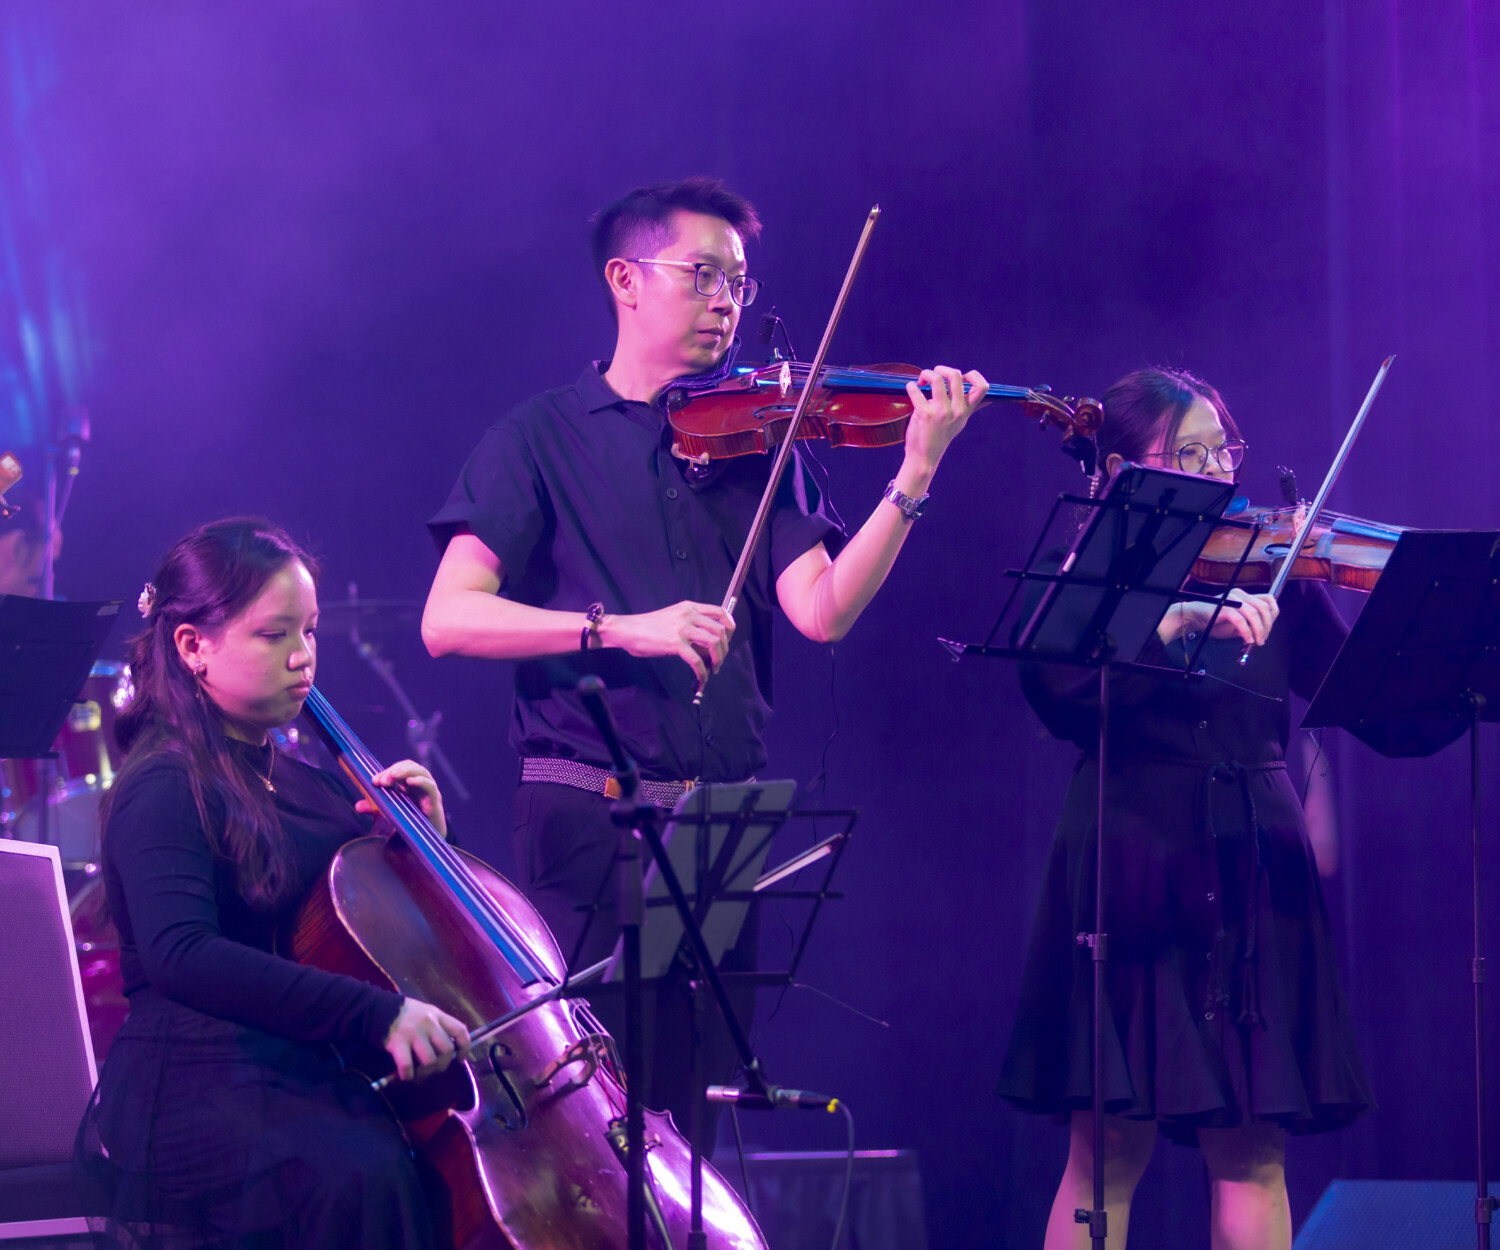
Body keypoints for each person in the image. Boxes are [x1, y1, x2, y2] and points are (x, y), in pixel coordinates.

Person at [422, 176, 988, 1128]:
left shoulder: (755, 439)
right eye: (703, 274)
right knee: (593, 1113)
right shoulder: (537, 439)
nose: (727, 299)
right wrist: (620, 627)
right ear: (625, 280)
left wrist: (915, 473)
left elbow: (822, 612)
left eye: (739, 281)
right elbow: (449, 618)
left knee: (691, 1114)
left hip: (720, 823)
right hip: (589, 812)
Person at [996, 368, 1373, 1250]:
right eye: (1190, 453)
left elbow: (1352, 693)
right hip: (1133, 848)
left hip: (1254, 850)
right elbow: (1051, 685)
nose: (1217, 471)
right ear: (1124, 472)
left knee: (1253, 1146)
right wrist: (1161, 626)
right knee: (1107, 1146)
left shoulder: (1267, 554)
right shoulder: (1094, 570)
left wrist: (1367, 593)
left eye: (1223, 450)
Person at [75, 518, 471, 1250]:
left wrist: (425, 853)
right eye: (273, 635)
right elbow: (183, 954)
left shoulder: (311, 784)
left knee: (419, 1157)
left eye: (311, 632)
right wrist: (376, 1014)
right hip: (198, 1076)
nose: (303, 658)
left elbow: (374, 934)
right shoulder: (162, 783)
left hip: (297, 1060)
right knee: (360, 1175)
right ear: (193, 647)